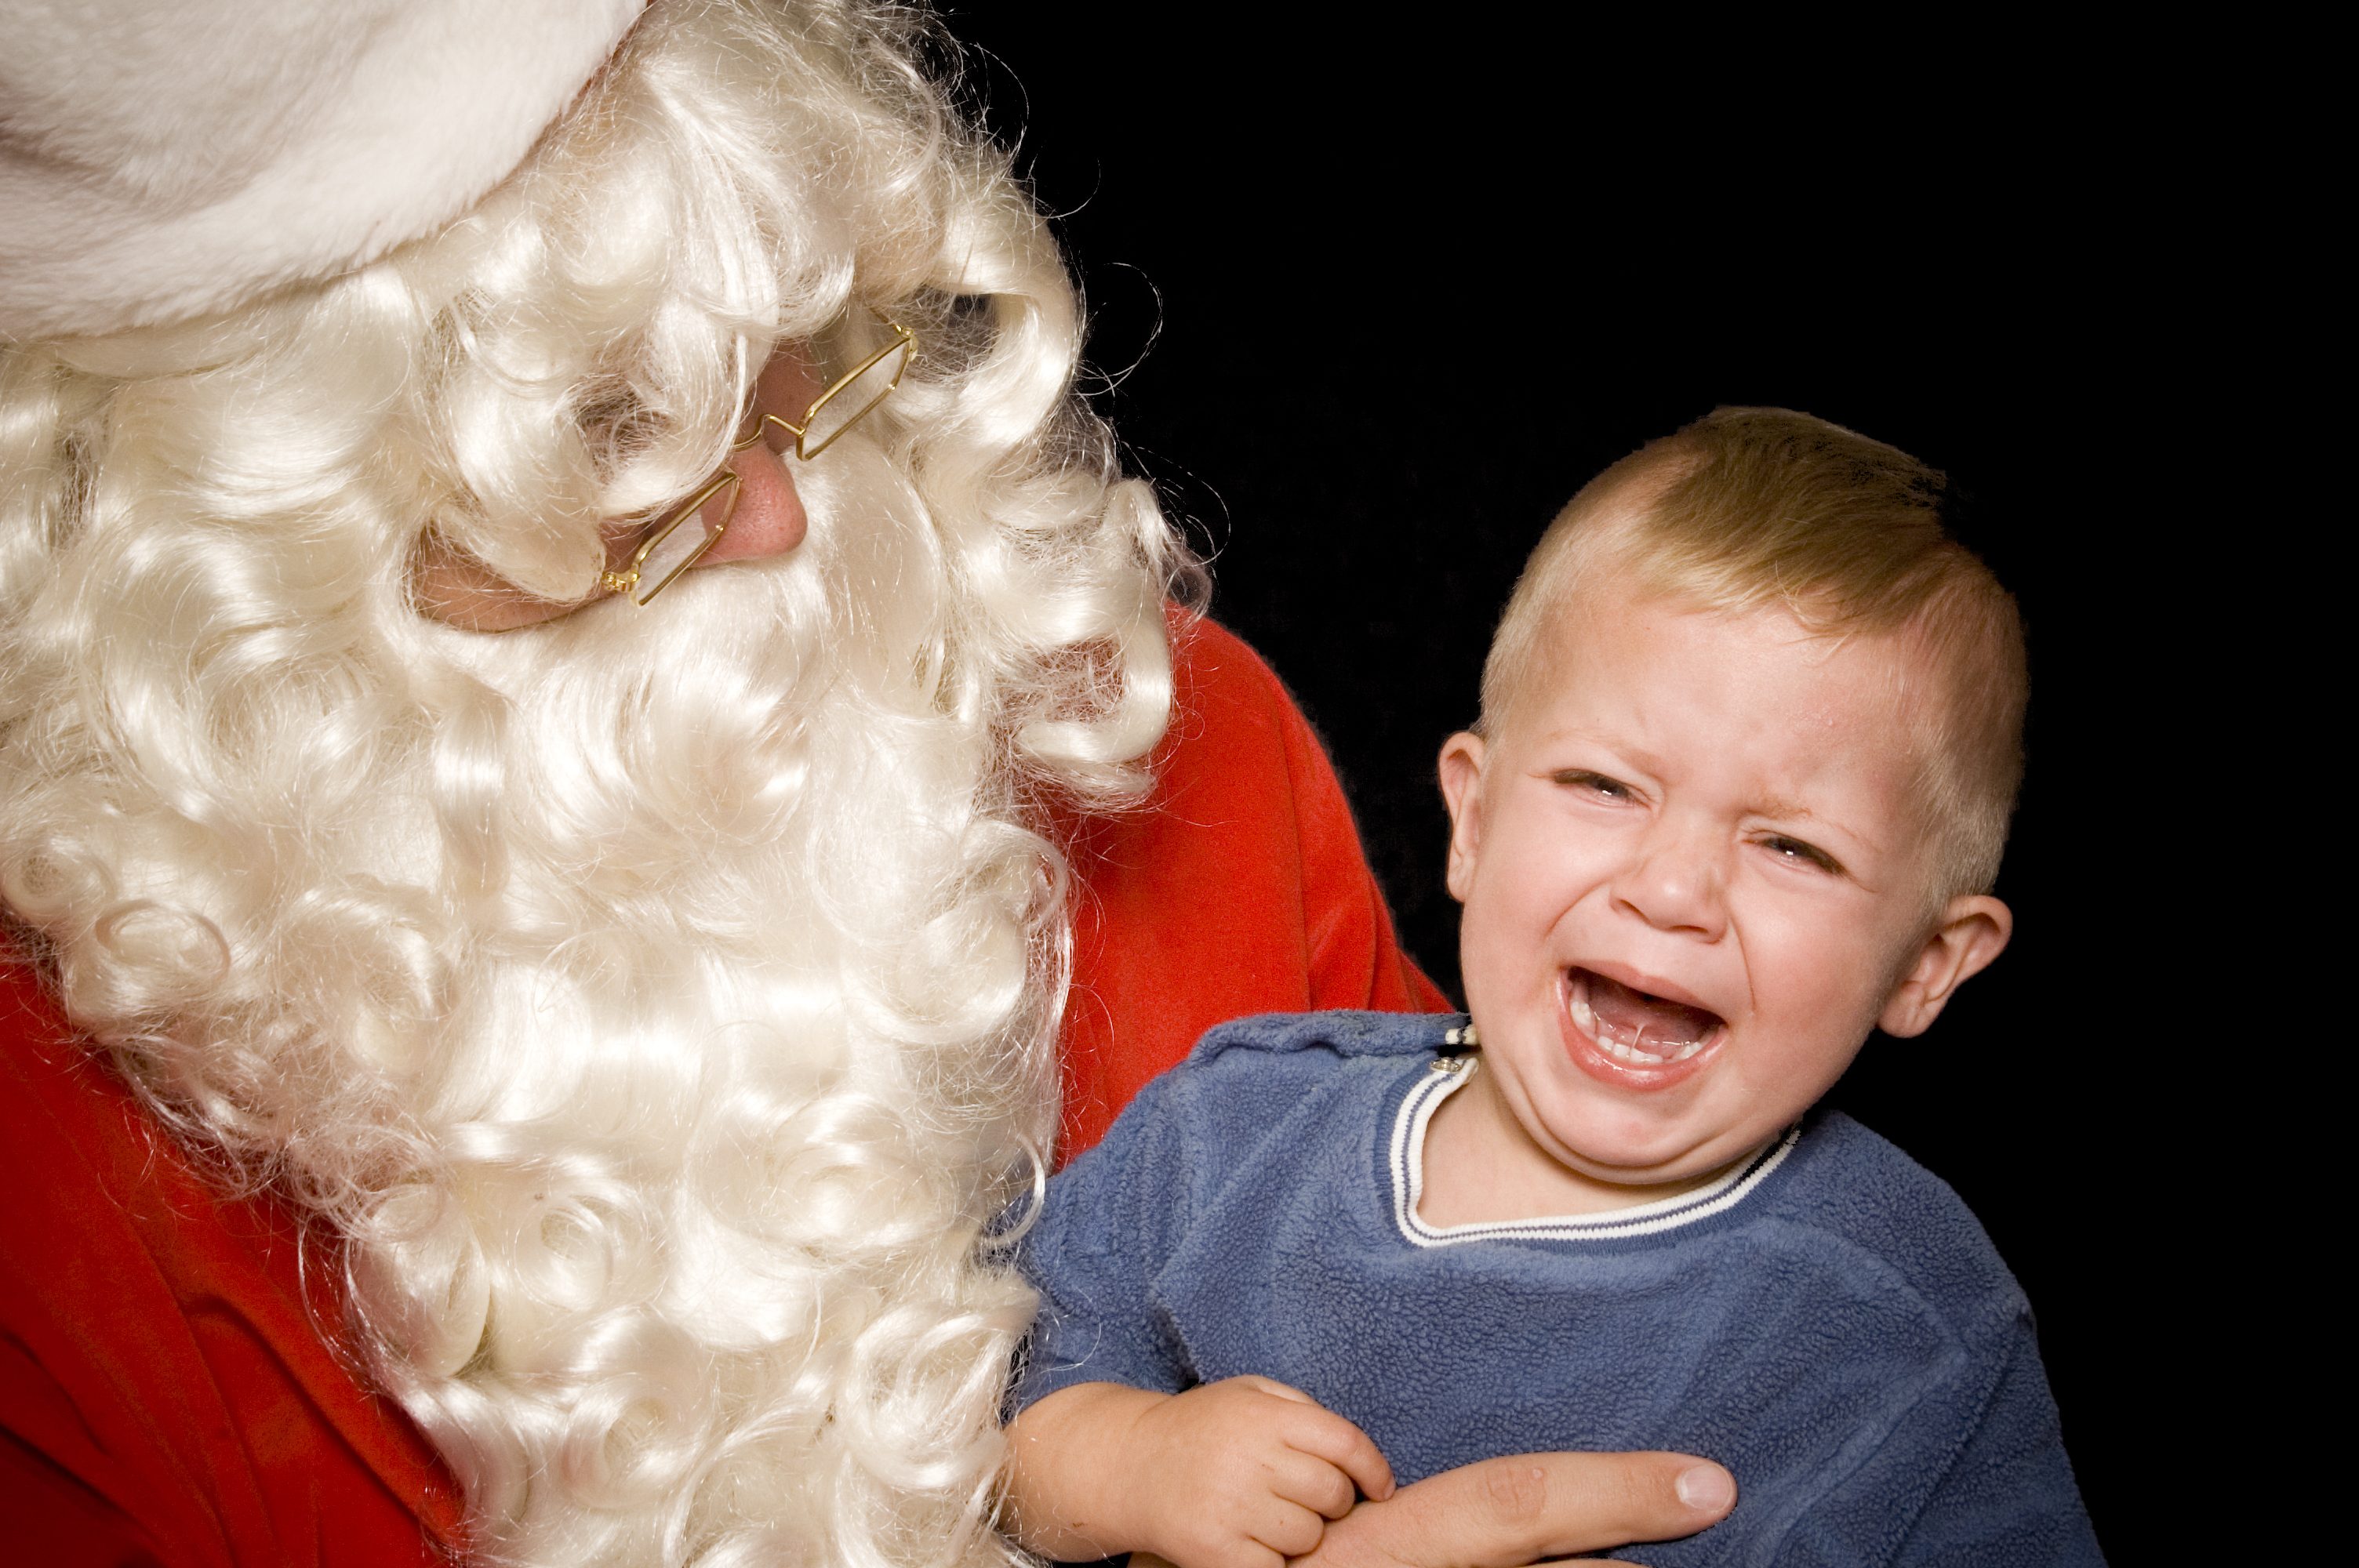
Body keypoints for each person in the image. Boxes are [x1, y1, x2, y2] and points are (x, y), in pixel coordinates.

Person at [0, 2, 1738, 1563]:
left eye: (803, 351)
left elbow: (1590, 1356)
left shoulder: (1170, 741)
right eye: (613, 436)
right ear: (235, 574)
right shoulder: (46, 1204)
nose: (780, 517)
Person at [1001, 408, 2104, 1566]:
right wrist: (1127, 1460)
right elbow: (965, 1418)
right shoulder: (1230, 1129)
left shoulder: (1910, 1319)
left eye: (1793, 849)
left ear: (1929, 965)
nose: (1675, 889)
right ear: (1473, 820)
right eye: (1606, 785)